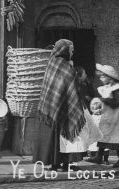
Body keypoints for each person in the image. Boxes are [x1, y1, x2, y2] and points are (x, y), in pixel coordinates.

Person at [33, 39, 86, 171]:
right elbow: (71, 86)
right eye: (71, 49)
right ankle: (65, 164)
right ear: (64, 50)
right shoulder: (65, 66)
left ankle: (55, 164)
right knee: (63, 137)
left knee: (54, 137)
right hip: (63, 107)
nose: (72, 52)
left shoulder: (51, 63)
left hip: (50, 107)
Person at [87, 64, 119, 168]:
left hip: (117, 119)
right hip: (109, 117)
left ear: (110, 78)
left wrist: (103, 100)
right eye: (100, 76)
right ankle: (99, 156)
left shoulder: (117, 89)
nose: (101, 78)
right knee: (103, 135)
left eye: (103, 76)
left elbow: (116, 103)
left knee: (117, 139)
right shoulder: (106, 88)